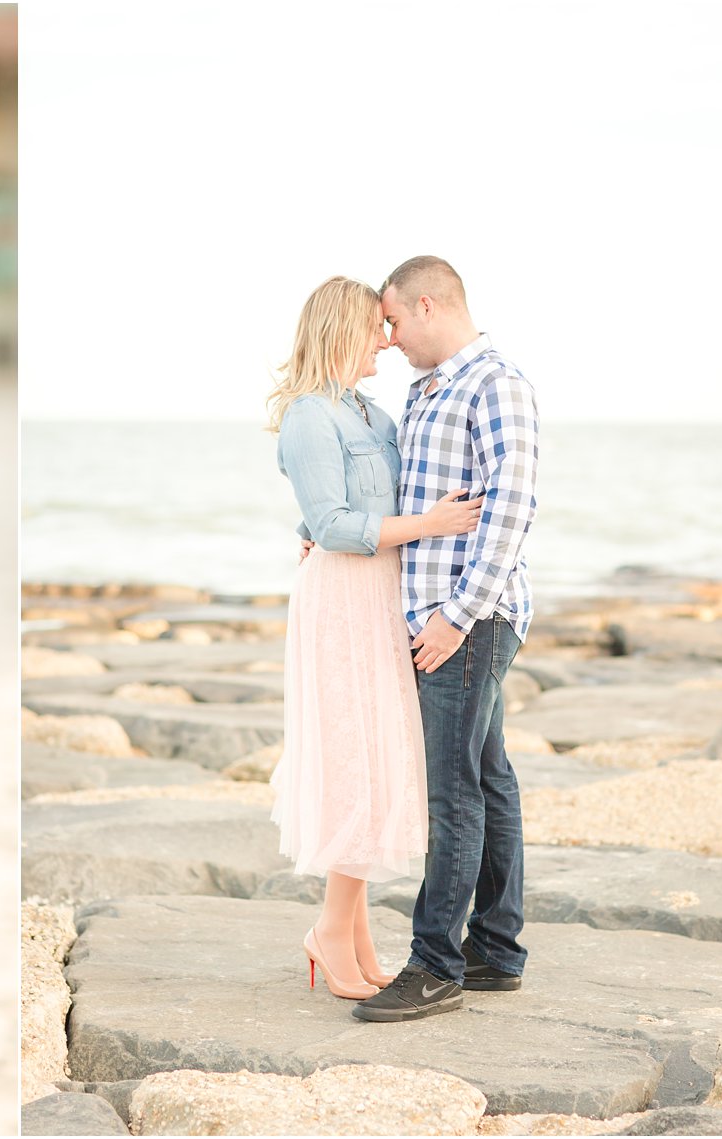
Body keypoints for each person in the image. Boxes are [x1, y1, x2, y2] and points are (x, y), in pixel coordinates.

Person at [267, 276, 481, 1001]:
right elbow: (333, 523)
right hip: (344, 601)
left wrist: (316, 531)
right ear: (341, 331)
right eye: (374, 328)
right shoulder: (307, 416)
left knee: (379, 760)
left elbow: (350, 507)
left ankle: (347, 934)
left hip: (378, 596)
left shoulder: (372, 415)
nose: (386, 341)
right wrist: (428, 527)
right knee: (355, 760)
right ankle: (333, 931)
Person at [351, 255, 539, 1023]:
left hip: (467, 618)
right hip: (439, 617)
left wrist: (455, 617)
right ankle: (494, 948)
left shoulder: (495, 383)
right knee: (487, 775)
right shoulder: (427, 388)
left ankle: (434, 965)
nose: (388, 338)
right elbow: (406, 496)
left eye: (392, 320)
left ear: (428, 306)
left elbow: (511, 508)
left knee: (451, 789)